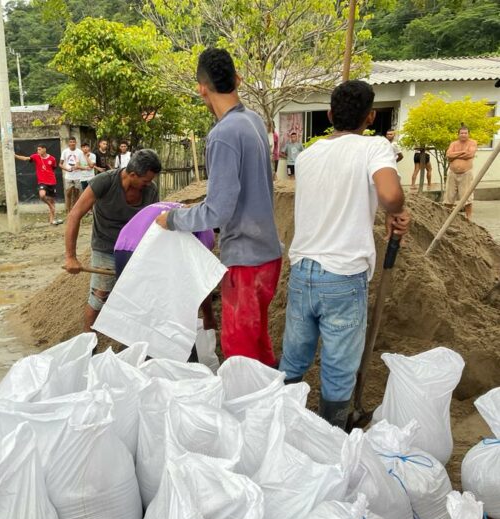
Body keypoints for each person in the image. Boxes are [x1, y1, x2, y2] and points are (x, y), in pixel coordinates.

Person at [277, 80, 411, 428]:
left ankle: (279, 423)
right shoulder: (374, 147)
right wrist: (397, 209)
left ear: (329, 114)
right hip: (343, 276)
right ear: (370, 117)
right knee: (338, 369)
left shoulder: (307, 155)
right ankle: (333, 435)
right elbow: (390, 194)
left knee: (293, 360)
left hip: (303, 272)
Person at [155, 47, 283, 366]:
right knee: (258, 342)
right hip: (267, 254)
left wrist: (171, 219)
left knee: (240, 352)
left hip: (246, 259)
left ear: (202, 88)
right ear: (236, 79)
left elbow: (218, 211)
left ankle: (252, 412)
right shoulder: (252, 120)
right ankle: (271, 404)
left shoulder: (223, 134)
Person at [64, 149, 162, 332]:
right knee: (100, 296)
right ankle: (89, 346)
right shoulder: (105, 182)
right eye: (146, 180)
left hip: (135, 249)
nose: (149, 184)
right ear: (132, 174)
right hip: (106, 247)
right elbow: (74, 215)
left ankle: (133, 343)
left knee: (140, 298)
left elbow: (153, 222)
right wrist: (71, 257)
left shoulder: (151, 190)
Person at [115, 202, 217, 352]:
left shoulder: (180, 208)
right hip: (150, 252)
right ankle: (186, 362)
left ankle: (131, 357)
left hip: (123, 246)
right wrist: (208, 316)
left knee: (134, 311)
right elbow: (199, 281)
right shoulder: (206, 230)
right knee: (171, 313)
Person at [14, 143, 61, 225]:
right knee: (42, 195)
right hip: (42, 181)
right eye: (37, 149)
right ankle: (49, 205)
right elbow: (25, 158)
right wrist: (15, 156)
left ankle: (52, 220)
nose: (38, 151)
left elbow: (53, 168)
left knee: (52, 200)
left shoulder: (52, 159)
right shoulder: (35, 156)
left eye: (39, 149)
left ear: (44, 149)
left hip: (52, 181)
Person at [444, 125, 478, 220]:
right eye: (461, 133)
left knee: (467, 197)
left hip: (466, 173)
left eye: (465, 133)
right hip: (452, 173)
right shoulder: (453, 144)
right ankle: (446, 218)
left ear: (468, 134)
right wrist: (463, 152)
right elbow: (449, 155)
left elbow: (470, 154)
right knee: (448, 197)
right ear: (458, 134)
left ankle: (469, 218)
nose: (463, 135)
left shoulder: (472, 143)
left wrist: (455, 155)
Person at [60, 137, 83, 213]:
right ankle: (68, 211)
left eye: (73, 142)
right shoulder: (65, 152)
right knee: (68, 193)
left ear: (76, 143)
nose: (72, 143)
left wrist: (78, 166)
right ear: (68, 143)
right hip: (68, 176)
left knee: (77, 193)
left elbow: (82, 162)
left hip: (78, 175)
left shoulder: (80, 152)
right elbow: (60, 164)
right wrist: (67, 169)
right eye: (71, 142)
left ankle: (75, 210)